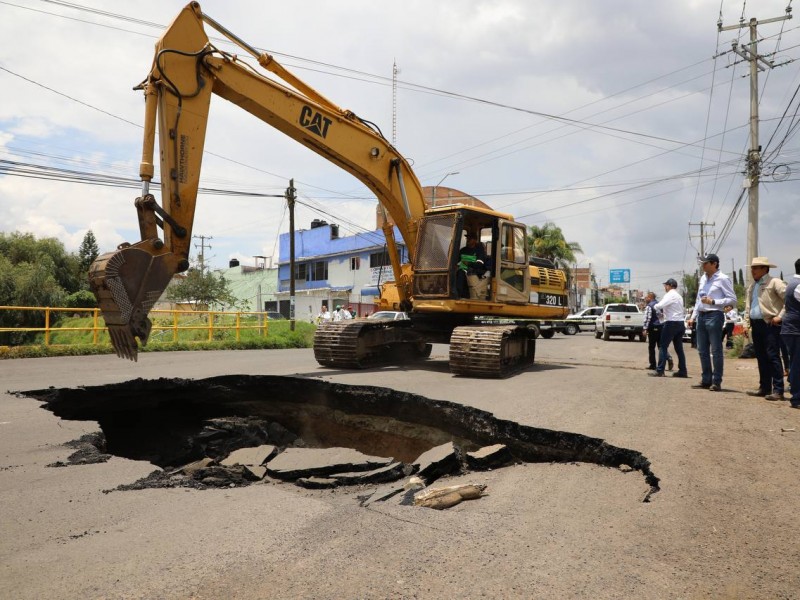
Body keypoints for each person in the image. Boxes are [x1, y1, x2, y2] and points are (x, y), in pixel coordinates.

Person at [687, 253, 737, 391]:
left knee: (716, 350)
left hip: (715, 315)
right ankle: (706, 379)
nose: (703, 266)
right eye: (702, 263)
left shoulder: (723, 278)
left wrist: (714, 301)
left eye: (705, 263)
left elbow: (732, 299)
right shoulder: (703, 278)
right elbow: (699, 299)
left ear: (714, 263)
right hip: (702, 316)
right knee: (702, 350)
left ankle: (716, 381)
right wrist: (693, 316)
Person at [743, 257, 787, 401]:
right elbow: (748, 307)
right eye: (752, 268)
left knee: (772, 356)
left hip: (770, 324)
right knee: (761, 357)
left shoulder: (775, 282)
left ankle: (778, 390)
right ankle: (765, 387)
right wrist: (746, 324)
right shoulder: (752, 286)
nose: (752, 270)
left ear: (764, 269)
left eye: (756, 268)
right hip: (756, 325)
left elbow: (789, 300)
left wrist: (780, 316)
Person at [649, 278, 687, 378]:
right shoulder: (679, 296)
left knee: (663, 346)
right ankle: (683, 371)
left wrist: (655, 306)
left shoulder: (670, 294)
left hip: (671, 322)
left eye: (666, 285)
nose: (665, 287)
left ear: (669, 286)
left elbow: (660, 305)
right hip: (680, 323)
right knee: (679, 348)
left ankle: (660, 370)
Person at [781, 258, 800, 409]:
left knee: (796, 362)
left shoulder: (792, 283)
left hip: (792, 329)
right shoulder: (798, 285)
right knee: (797, 363)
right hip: (795, 330)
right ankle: (797, 397)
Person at [643, 291, 673, 371]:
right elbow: (663, 316)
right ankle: (668, 357)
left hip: (653, 328)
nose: (646, 298)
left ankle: (653, 364)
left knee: (651, 347)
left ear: (650, 297)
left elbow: (647, 318)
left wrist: (645, 329)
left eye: (647, 297)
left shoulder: (649, 306)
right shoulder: (660, 305)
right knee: (661, 346)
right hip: (661, 327)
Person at [456, 233, 488, 298]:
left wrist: (468, 263)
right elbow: (456, 262)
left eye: (470, 239)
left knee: (461, 273)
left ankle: (459, 295)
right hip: (463, 269)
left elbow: (479, 264)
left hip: (474, 271)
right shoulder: (463, 250)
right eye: (467, 238)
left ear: (475, 240)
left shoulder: (479, 251)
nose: (468, 240)